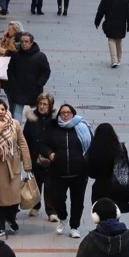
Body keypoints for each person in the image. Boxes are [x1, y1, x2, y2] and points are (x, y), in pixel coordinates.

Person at [45, 102, 91, 239]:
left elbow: (90, 145)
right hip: (58, 173)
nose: (65, 115)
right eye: (62, 113)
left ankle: (74, 226)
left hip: (79, 173)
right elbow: (42, 144)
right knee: (57, 199)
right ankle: (63, 217)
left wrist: (86, 161)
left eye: (68, 113)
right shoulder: (53, 127)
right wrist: (49, 153)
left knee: (77, 201)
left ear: (73, 114)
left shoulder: (81, 127)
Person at [0, 98, 31, 239]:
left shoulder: (14, 124)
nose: (0, 112)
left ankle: (11, 217)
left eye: (2, 109)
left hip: (13, 166)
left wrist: (27, 164)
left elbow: (22, 143)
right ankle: (0, 227)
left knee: (14, 199)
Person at [86, 123, 129, 214]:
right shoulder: (120, 148)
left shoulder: (93, 150)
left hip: (100, 188)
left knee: (100, 214)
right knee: (115, 214)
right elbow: (126, 167)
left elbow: (91, 173)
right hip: (117, 188)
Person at [24, 93, 56, 220]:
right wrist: (26, 157)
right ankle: (36, 206)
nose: (42, 107)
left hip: (50, 157)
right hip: (34, 156)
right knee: (36, 183)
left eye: (45, 104)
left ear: (50, 106)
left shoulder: (54, 120)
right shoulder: (32, 118)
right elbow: (25, 137)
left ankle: (51, 211)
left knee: (50, 185)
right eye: (40, 104)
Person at [8, 32, 51, 122]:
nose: (24, 44)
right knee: (16, 115)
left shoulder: (40, 56)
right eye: (22, 41)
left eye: (26, 41)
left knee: (35, 114)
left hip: (34, 89)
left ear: (31, 43)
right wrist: (13, 84)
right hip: (18, 90)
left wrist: (39, 83)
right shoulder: (16, 55)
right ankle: (18, 133)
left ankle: (34, 132)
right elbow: (10, 70)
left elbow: (46, 71)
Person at [95, 0, 129, 67]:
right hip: (121, 25)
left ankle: (114, 60)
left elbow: (100, 11)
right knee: (119, 41)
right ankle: (118, 59)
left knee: (111, 40)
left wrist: (97, 21)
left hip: (110, 23)